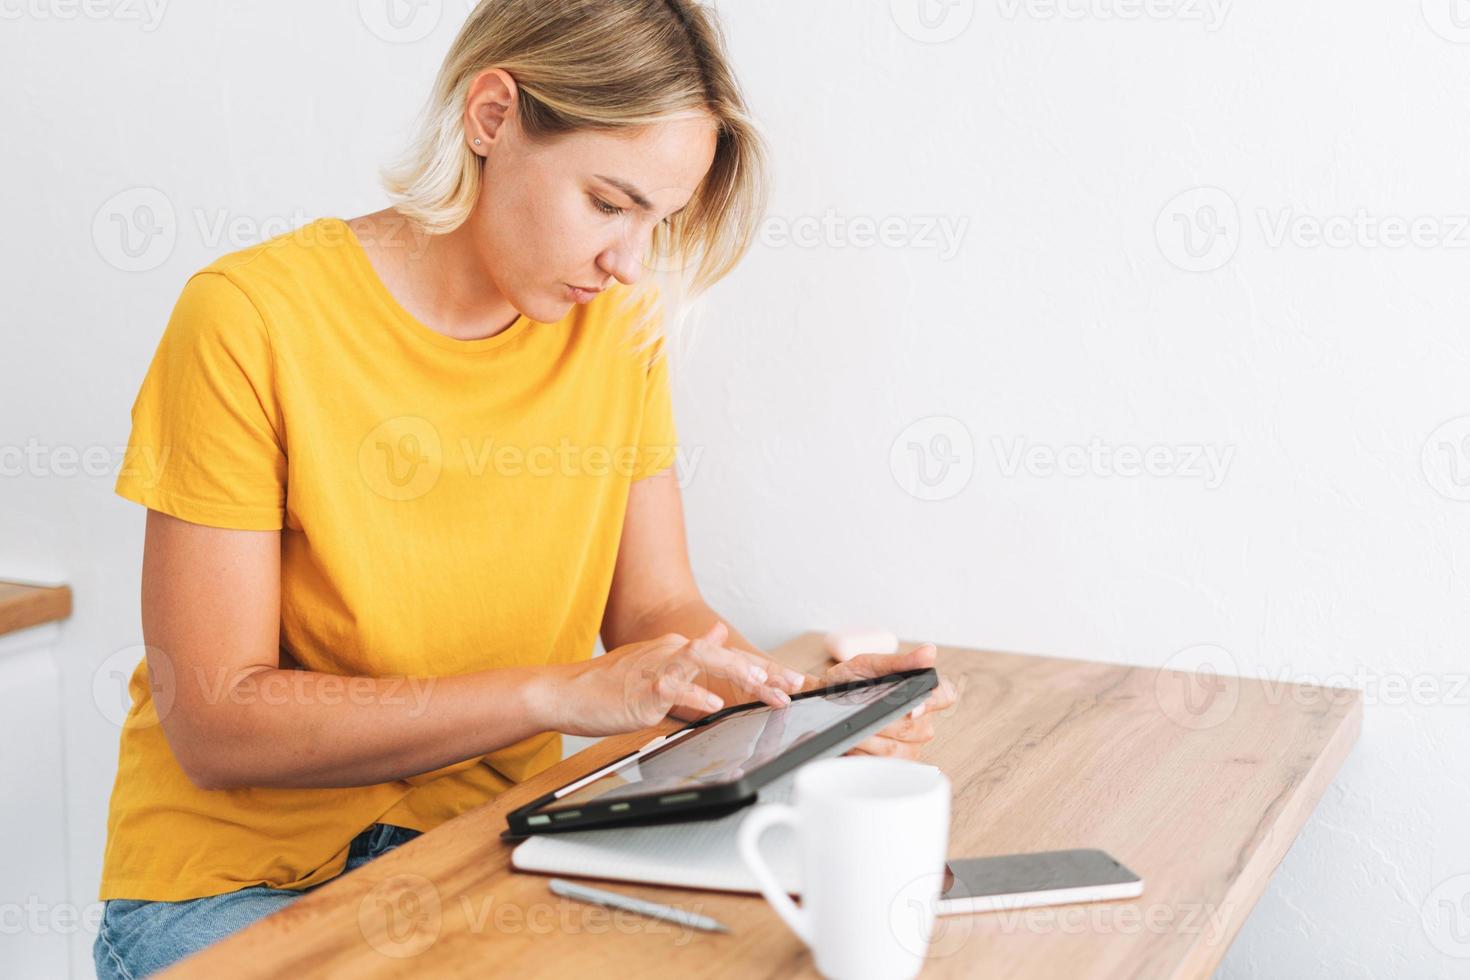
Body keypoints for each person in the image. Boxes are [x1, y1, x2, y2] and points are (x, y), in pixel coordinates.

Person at [94, 2, 957, 976]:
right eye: (608, 201)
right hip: (240, 887)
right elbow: (217, 722)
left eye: (657, 220)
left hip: (490, 848)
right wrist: (559, 688)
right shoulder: (248, 320)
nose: (630, 262)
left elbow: (655, 611)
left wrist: (785, 710)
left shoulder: (615, 332)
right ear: (493, 117)